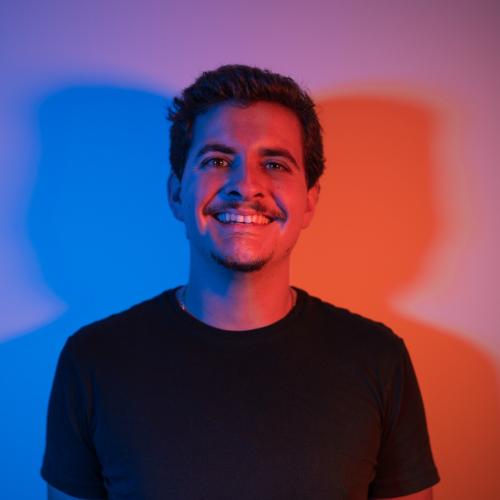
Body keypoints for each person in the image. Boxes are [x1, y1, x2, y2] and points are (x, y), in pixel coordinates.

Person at [41, 65, 440, 499]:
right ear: (176, 193)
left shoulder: (378, 359)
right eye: (217, 161)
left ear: (309, 201)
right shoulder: (94, 359)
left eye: (274, 164)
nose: (245, 185)